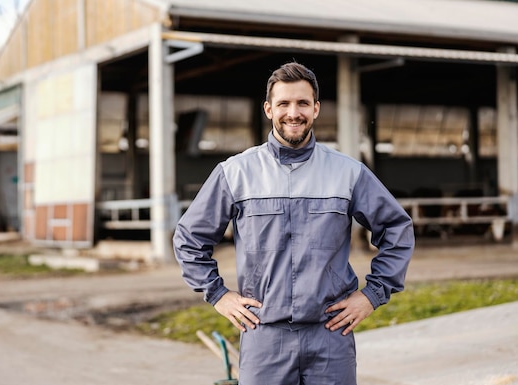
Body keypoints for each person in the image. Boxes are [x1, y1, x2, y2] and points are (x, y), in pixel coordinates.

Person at [173, 61, 415, 385]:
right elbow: (189, 238)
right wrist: (218, 294)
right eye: (283, 103)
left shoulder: (348, 172)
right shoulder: (236, 173)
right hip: (264, 336)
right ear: (268, 109)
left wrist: (372, 294)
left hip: (330, 334)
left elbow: (398, 229)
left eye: (302, 103)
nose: (293, 112)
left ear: (316, 109)